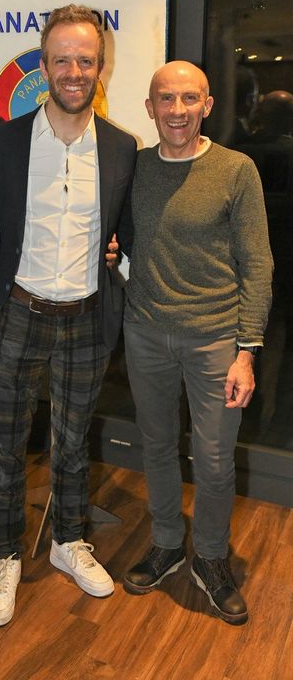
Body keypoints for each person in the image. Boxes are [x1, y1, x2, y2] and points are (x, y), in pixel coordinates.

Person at [0, 4, 136, 627]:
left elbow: (125, 229)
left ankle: (69, 541)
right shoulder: (4, 142)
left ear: (101, 67)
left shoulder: (122, 147)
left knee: (73, 443)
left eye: (86, 60)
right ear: (43, 67)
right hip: (19, 314)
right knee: (6, 445)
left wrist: (117, 253)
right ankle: (6, 555)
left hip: (86, 319)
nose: (74, 71)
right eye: (62, 60)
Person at [121, 60, 273, 625]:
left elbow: (258, 264)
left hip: (216, 341)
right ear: (150, 108)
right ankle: (166, 543)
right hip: (145, 332)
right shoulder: (135, 168)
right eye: (167, 99)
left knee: (213, 461)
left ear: (207, 105)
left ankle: (210, 557)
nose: (178, 110)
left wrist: (246, 352)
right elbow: (120, 234)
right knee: (157, 447)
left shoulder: (236, 170)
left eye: (190, 99)